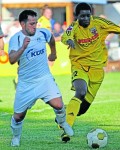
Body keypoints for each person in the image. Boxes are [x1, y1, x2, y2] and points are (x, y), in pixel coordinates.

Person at [61, 2, 120, 142]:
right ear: (76, 16)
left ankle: (62, 114)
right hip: (80, 66)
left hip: (97, 70)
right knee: (81, 92)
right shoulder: (74, 26)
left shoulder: (100, 23)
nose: (85, 18)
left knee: (83, 109)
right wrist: (69, 40)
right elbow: (65, 36)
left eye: (88, 15)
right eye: (82, 16)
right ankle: (66, 130)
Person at [8, 10, 73, 147]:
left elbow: (51, 39)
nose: (34, 26)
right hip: (26, 83)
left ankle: (62, 123)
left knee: (59, 105)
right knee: (19, 116)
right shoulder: (16, 39)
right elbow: (12, 60)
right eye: (31, 24)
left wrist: (53, 54)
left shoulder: (42, 32)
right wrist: (23, 48)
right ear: (22, 24)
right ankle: (16, 137)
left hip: (44, 79)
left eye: (35, 23)